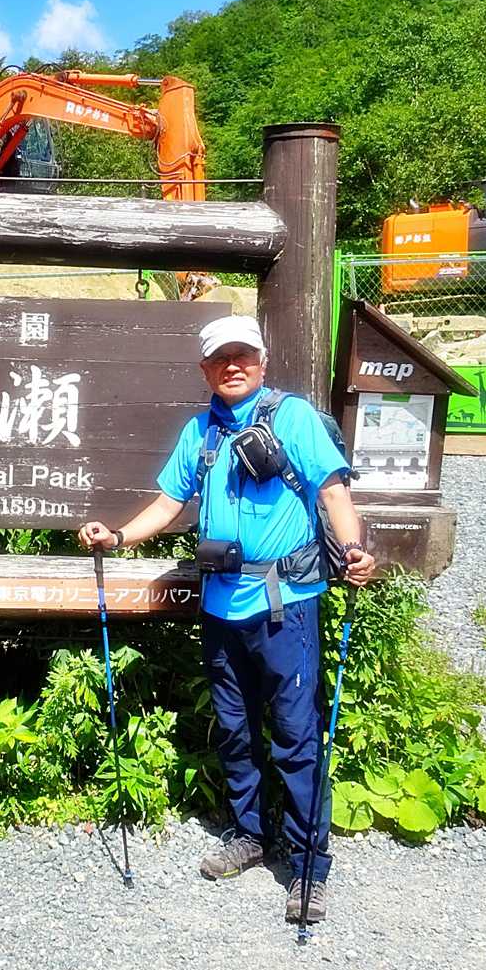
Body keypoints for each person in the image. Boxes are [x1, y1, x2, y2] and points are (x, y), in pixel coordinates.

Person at [77, 315, 374, 924]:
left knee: (295, 735)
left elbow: (333, 492)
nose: (232, 366)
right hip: (220, 605)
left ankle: (308, 864)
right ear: (205, 369)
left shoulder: (293, 419)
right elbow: (169, 501)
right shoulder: (201, 431)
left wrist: (354, 551)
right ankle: (249, 833)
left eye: (243, 356)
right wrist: (118, 537)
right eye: (220, 358)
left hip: (286, 603)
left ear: (262, 362)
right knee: (235, 730)